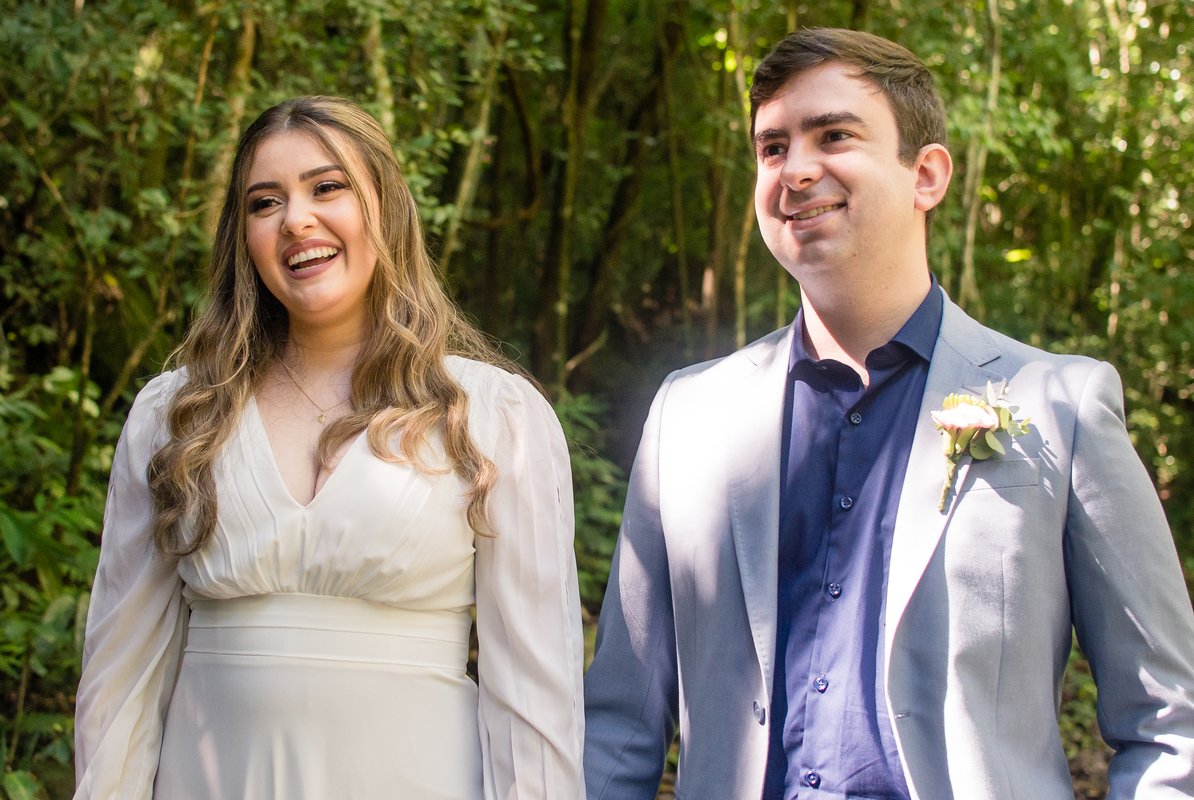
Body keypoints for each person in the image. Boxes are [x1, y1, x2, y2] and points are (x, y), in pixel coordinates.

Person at [583, 27, 1194, 800]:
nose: (796, 169)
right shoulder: (688, 416)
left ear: (926, 175)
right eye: (772, 148)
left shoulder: (1060, 406)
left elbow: (1167, 722)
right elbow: (618, 729)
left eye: (834, 136)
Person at [74, 96, 585, 800]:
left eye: (327, 187)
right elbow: (118, 682)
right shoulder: (178, 416)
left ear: (386, 208)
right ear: (243, 237)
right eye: (265, 202)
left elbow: (535, 699)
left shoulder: (492, 417)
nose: (295, 220)